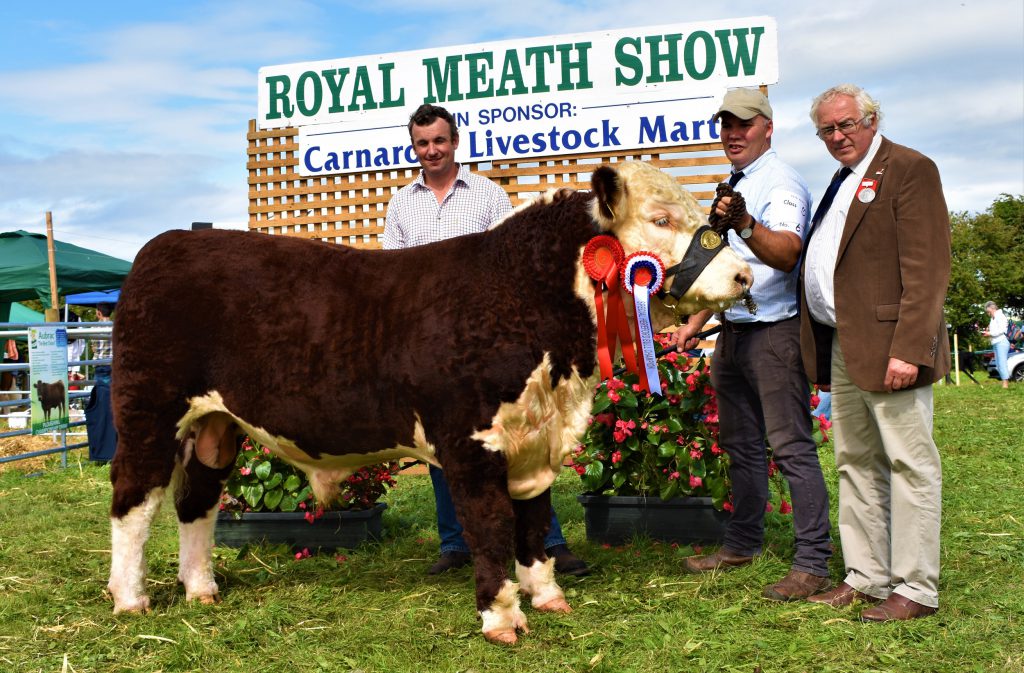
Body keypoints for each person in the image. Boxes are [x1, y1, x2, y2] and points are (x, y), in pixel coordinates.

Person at [382, 103, 588, 577]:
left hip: (489, 341)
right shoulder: (402, 204)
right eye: (422, 143)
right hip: (432, 342)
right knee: (440, 440)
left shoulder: (489, 195)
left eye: (439, 140)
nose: (431, 150)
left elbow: (511, 266)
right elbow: (393, 276)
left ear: (455, 142)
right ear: (413, 147)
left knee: (520, 440)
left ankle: (547, 540)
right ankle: (455, 542)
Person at [673, 88, 832, 600]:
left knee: (791, 450)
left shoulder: (780, 181)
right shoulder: (738, 182)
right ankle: (742, 543)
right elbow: (724, 265)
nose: (732, 134)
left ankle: (812, 564)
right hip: (735, 333)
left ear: (768, 126)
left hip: (774, 334)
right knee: (740, 447)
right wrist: (694, 322)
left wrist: (744, 221)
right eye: (725, 125)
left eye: (743, 124)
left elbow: (786, 254)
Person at [801, 84, 950, 621]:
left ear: (872, 119)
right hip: (843, 342)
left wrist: (910, 348)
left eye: (846, 124)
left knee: (910, 463)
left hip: (891, 346)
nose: (837, 136)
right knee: (855, 462)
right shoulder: (843, 179)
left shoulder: (910, 167)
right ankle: (866, 576)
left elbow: (927, 269)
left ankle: (915, 587)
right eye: (827, 129)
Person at [982, 301, 1010, 389]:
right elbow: (994, 331)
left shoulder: (1000, 316)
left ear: (992, 308)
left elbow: (1002, 330)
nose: (987, 313)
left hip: (1002, 341)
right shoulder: (993, 318)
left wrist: (989, 333)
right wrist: (987, 333)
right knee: (998, 363)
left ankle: (1005, 384)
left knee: (1002, 363)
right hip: (996, 342)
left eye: (988, 311)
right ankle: (1004, 382)